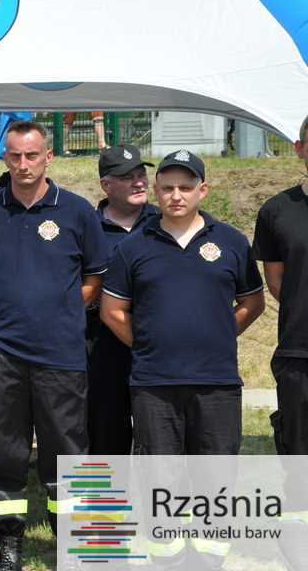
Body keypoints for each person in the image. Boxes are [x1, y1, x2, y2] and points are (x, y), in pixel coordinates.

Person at [100, 151, 264, 570]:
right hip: (154, 384)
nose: (176, 195)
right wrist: (149, 346)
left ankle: (208, 561)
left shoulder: (231, 242)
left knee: (216, 478)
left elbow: (252, 303)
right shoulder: (134, 246)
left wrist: (218, 335)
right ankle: (168, 560)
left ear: (202, 190)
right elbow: (112, 311)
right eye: (168, 187)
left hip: (217, 384)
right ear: (157, 191)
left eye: (186, 187)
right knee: (162, 479)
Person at [0, 121, 108, 571]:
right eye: (15, 156)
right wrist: (7, 316)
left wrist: (59, 312)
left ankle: (75, 543)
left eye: (32, 155)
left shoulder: (77, 211)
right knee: (7, 452)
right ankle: (8, 543)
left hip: (61, 353)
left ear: (48, 157)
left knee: (68, 451)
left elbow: (94, 278)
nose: (23, 164)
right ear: (5, 158)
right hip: (4, 351)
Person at [253, 116, 308, 567]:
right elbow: (277, 284)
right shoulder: (277, 210)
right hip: (299, 352)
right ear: (300, 149)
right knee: (298, 454)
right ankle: (297, 544)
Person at [87, 146, 157, 455]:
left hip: (157, 343)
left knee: (161, 436)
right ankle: (99, 490)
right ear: (106, 185)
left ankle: (158, 489)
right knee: (101, 434)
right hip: (100, 344)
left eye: (141, 174)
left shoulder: (165, 222)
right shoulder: (86, 227)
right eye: (128, 177)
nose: (139, 182)